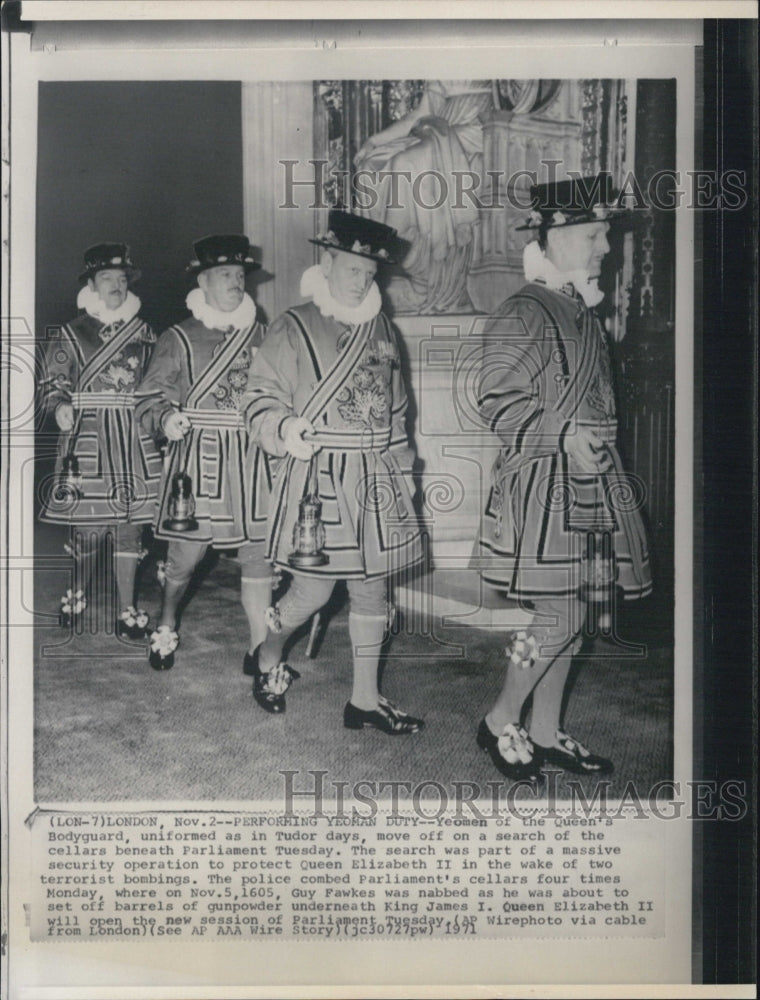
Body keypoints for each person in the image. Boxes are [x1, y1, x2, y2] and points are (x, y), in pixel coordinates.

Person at [472, 174, 652, 783]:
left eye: (605, 233)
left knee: (575, 612)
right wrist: (561, 434)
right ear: (556, 236)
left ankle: (545, 731)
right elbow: (493, 400)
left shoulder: (579, 305)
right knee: (560, 616)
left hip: (591, 480)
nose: (606, 246)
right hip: (543, 485)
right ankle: (500, 719)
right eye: (595, 234)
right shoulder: (524, 309)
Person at [242, 209, 425, 732]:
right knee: (313, 592)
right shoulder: (293, 323)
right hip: (316, 478)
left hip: (374, 478)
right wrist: (283, 428)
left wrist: (402, 473)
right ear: (327, 262)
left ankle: (364, 700)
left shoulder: (384, 330)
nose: (363, 280)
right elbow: (258, 396)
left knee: (373, 590)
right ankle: (267, 656)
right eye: (352, 270)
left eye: (371, 274)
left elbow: (396, 411)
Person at [135, 235, 271, 671]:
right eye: (226, 275)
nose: (237, 282)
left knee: (258, 555)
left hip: (252, 462)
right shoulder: (179, 336)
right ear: (204, 281)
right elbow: (147, 398)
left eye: (240, 275)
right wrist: (164, 418)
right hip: (196, 463)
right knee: (184, 561)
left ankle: (259, 648)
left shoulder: (265, 335)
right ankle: (168, 617)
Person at [40, 243, 162, 638]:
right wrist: (59, 404)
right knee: (89, 529)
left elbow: (157, 384)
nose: (116, 285)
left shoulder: (145, 334)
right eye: (107, 278)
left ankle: (127, 610)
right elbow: (52, 382)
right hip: (87, 437)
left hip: (131, 438)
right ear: (91, 284)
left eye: (122, 279)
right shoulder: (71, 332)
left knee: (129, 528)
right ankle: (75, 592)